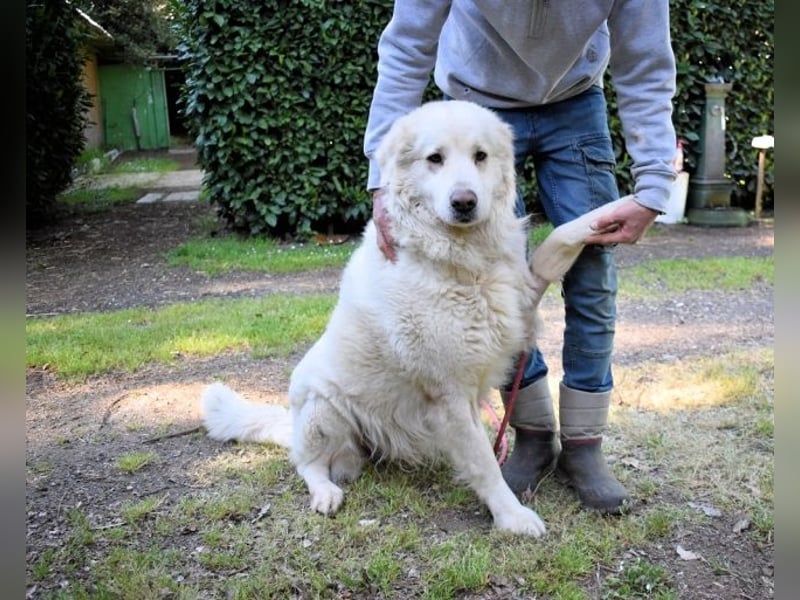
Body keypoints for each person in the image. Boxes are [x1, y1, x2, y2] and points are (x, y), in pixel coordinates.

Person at [362, 1, 677, 514]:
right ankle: (531, 434)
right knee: (488, 281)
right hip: (475, 107)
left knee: (593, 275)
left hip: (576, 102)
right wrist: (382, 178)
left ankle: (583, 445)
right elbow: (407, 44)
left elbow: (645, 59)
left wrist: (654, 184)